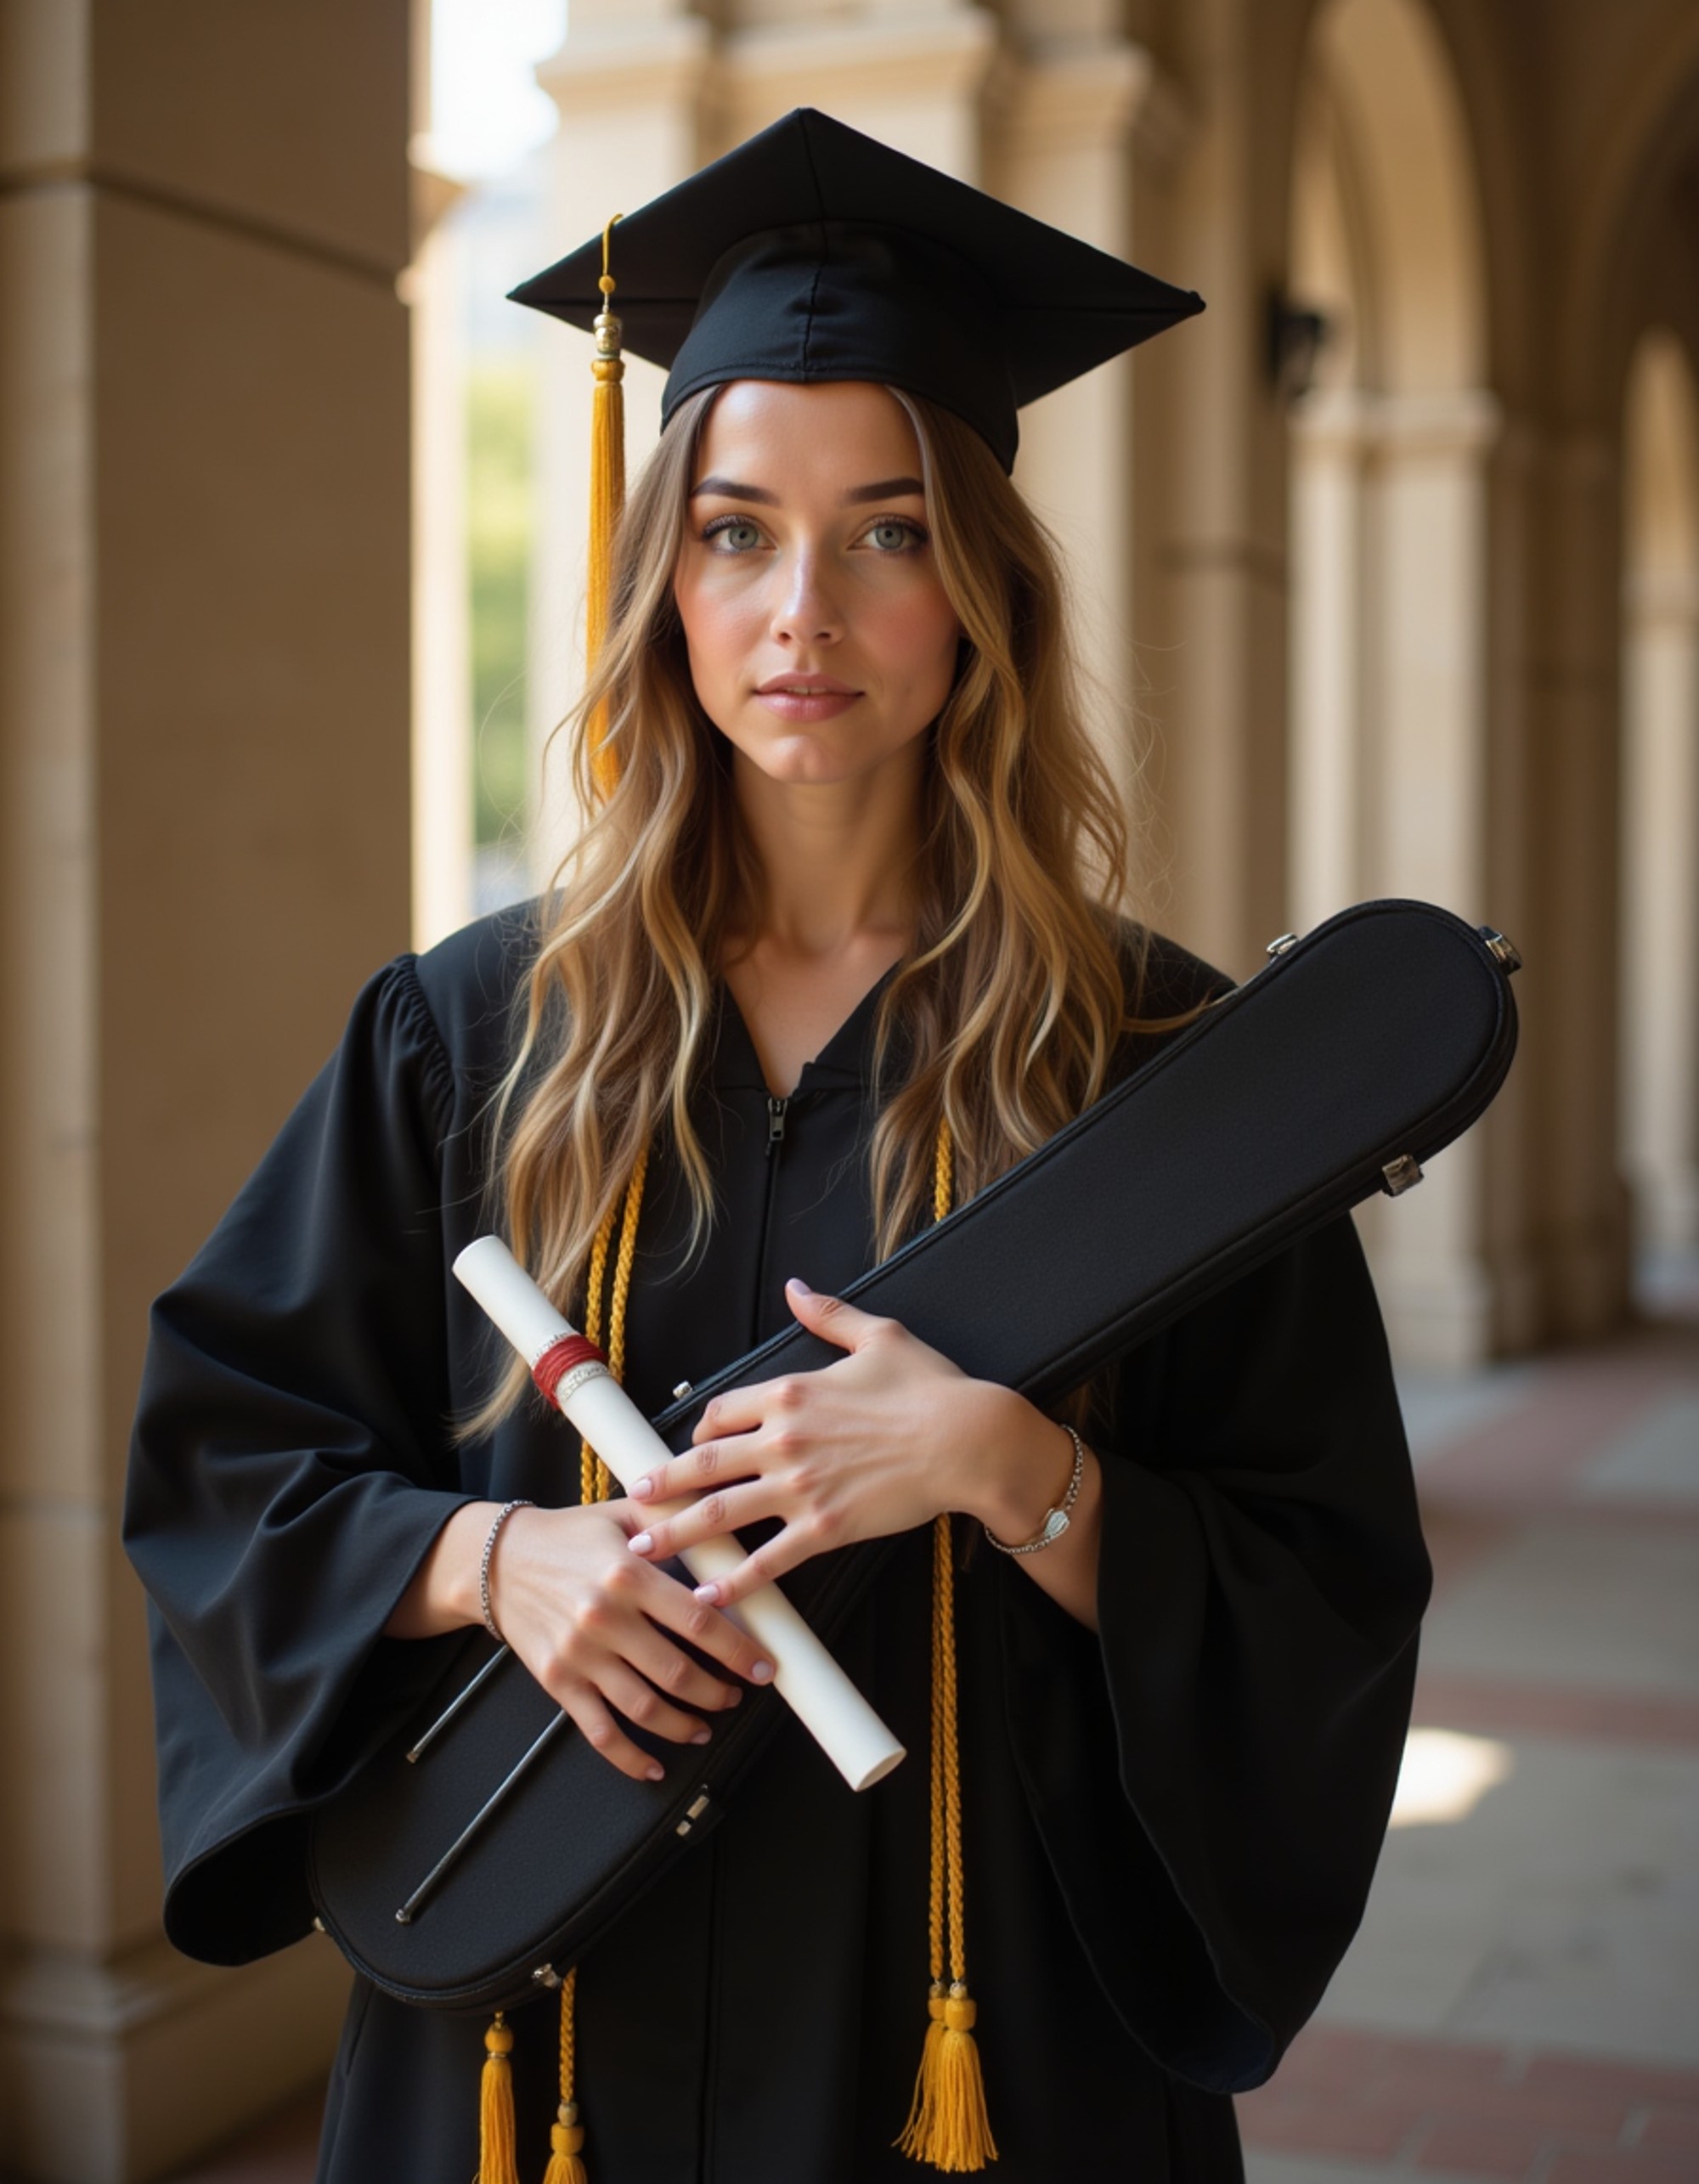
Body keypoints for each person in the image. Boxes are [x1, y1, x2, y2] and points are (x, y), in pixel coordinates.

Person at [125, 110, 1430, 2184]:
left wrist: (1022, 1471)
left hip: (978, 2029)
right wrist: (492, 1557)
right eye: (734, 528)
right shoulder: (474, 1030)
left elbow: (1323, 1579)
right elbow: (228, 1453)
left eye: (886, 529)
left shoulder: (1158, 1063)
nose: (800, 605)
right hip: (548, 2028)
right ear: (660, 576)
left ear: (980, 582)